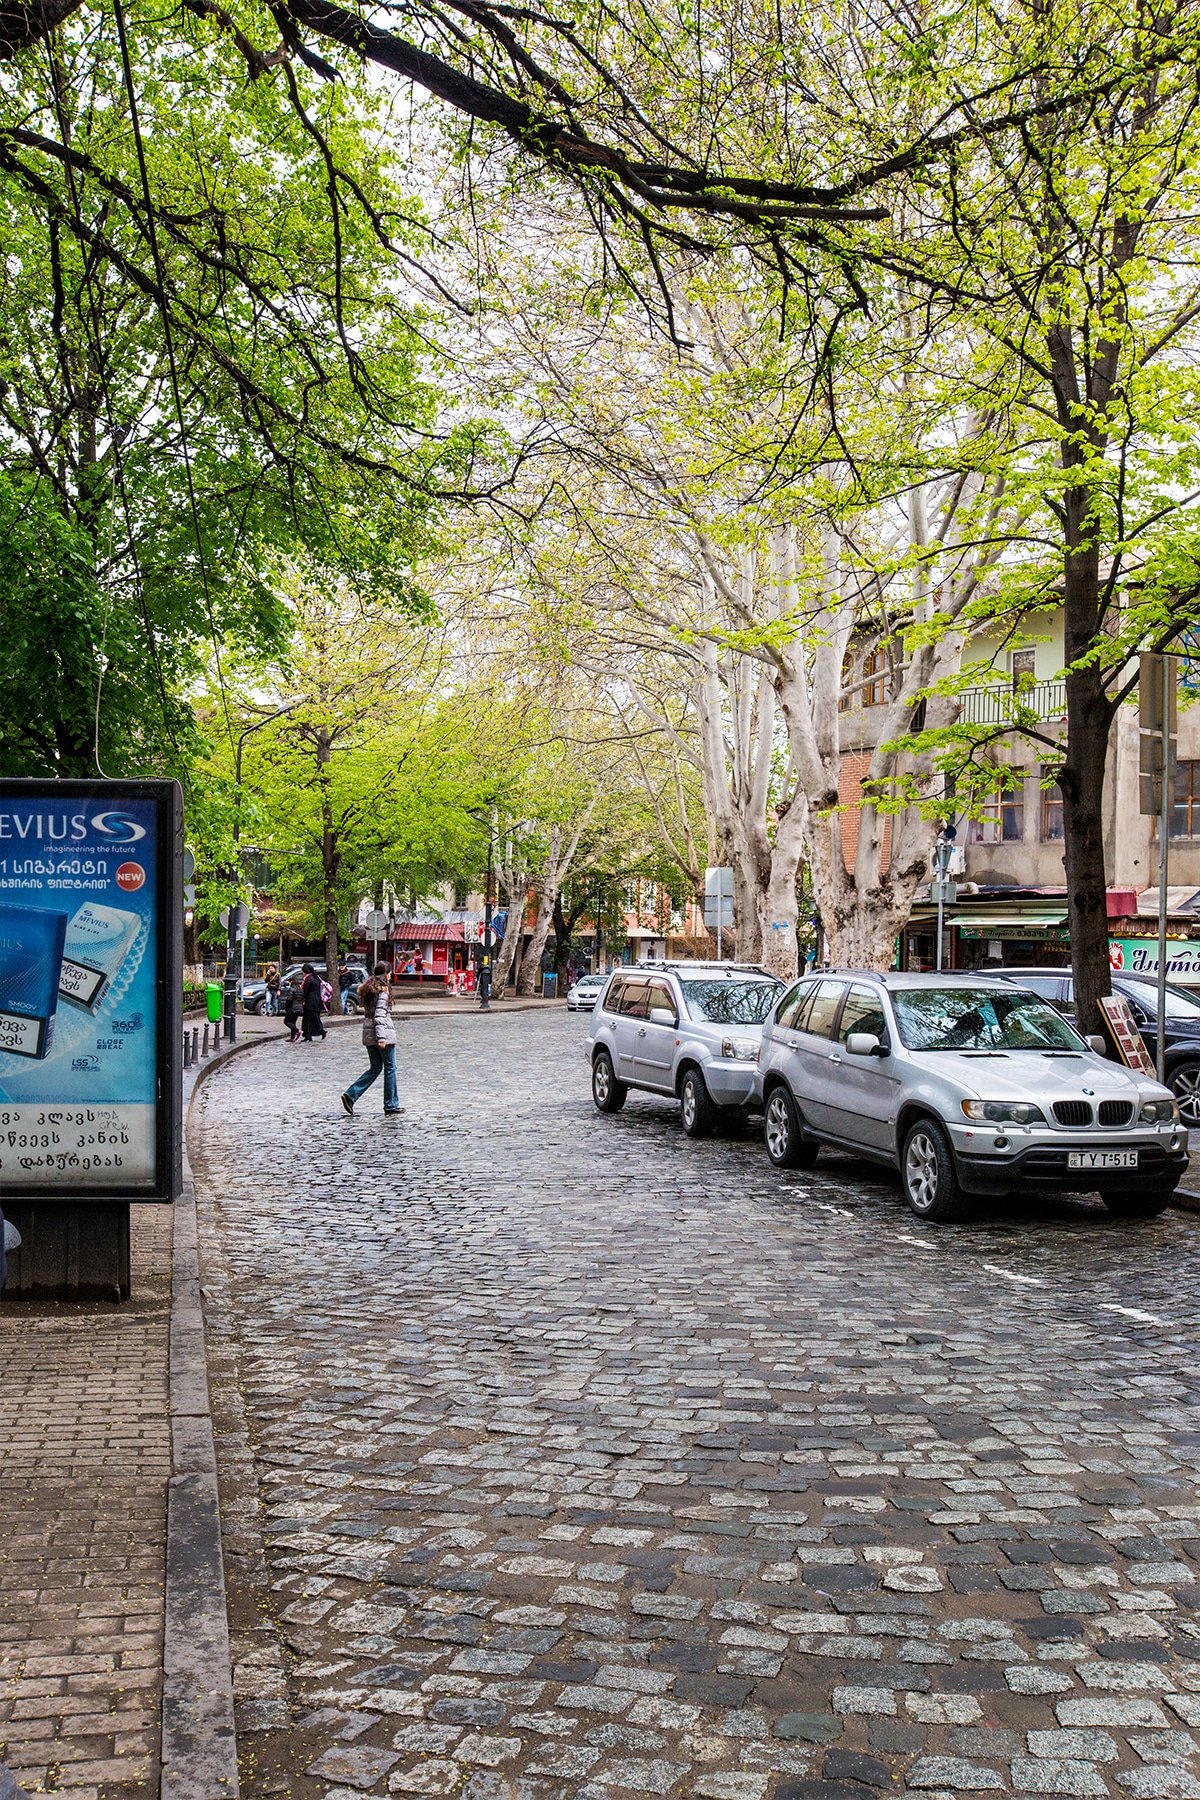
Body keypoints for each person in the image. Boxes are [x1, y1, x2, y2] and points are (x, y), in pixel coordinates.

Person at [342, 961, 401, 1116]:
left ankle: (351, 1095)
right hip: (381, 1033)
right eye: (390, 973)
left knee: (375, 1068)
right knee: (390, 1068)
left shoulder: (368, 989)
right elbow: (380, 1014)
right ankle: (391, 1105)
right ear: (386, 974)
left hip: (368, 1032)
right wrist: (382, 1038)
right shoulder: (383, 991)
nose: (390, 976)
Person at [300, 963, 327, 1042]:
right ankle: (307, 1035)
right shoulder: (315, 977)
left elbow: (305, 991)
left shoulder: (309, 979)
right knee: (308, 1019)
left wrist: (302, 999)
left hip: (310, 1001)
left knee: (313, 1018)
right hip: (316, 1000)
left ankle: (321, 1031)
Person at [282, 974, 304, 1042]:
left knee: (286, 1021)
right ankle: (292, 1037)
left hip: (292, 1008)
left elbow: (289, 999)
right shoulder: (300, 989)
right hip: (299, 1008)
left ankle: (298, 1031)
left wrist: (287, 1007)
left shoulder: (292, 989)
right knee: (293, 1022)